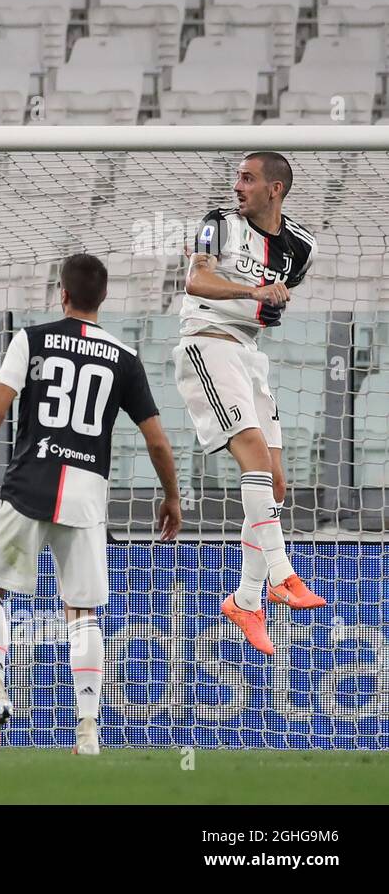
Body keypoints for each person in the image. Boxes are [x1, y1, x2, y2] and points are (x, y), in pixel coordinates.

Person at [0, 253, 181, 755]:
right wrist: (170, 495)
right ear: (103, 298)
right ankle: (87, 732)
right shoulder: (124, 355)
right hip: (85, 496)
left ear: (62, 293)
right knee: (82, 611)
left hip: (27, 486)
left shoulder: (30, 339)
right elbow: (158, 441)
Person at [174, 151, 324, 657]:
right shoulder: (218, 224)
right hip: (207, 342)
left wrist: (269, 302)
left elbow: (274, 300)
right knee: (255, 460)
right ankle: (282, 575)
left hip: (249, 355)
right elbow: (196, 281)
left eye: (248, 178)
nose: (237, 185)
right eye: (238, 176)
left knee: (276, 482)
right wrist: (254, 290)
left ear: (275, 189)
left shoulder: (301, 247)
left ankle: (245, 600)